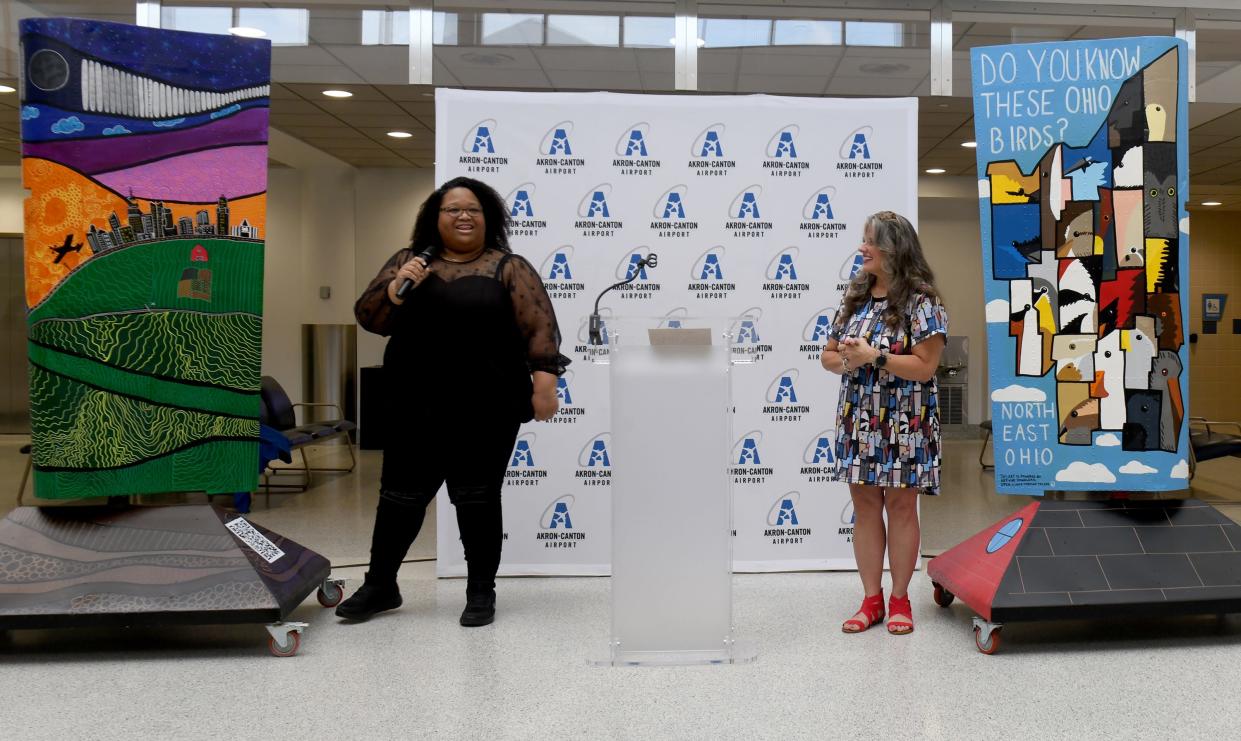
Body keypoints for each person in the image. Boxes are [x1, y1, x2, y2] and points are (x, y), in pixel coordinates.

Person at [340, 176, 568, 627]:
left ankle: (480, 591)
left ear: (488, 219)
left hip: (487, 404)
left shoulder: (509, 267)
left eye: (473, 210)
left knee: (478, 497)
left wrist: (545, 382)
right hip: (413, 400)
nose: (464, 216)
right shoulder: (409, 262)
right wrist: (394, 287)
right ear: (434, 218)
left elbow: (539, 327)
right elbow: (370, 317)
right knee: (399, 497)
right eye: (453, 210)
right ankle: (381, 585)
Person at [820, 211, 948, 636]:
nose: (862, 248)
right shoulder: (855, 295)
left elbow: (926, 367)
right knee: (865, 507)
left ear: (895, 248)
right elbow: (827, 355)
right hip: (860, 419)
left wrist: (875, 357)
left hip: (907, 421)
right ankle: (871, 600)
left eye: (870, 241)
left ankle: (899, 599)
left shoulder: (922, 300)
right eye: (862, 240)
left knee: (900, 506)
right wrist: (847, 357)